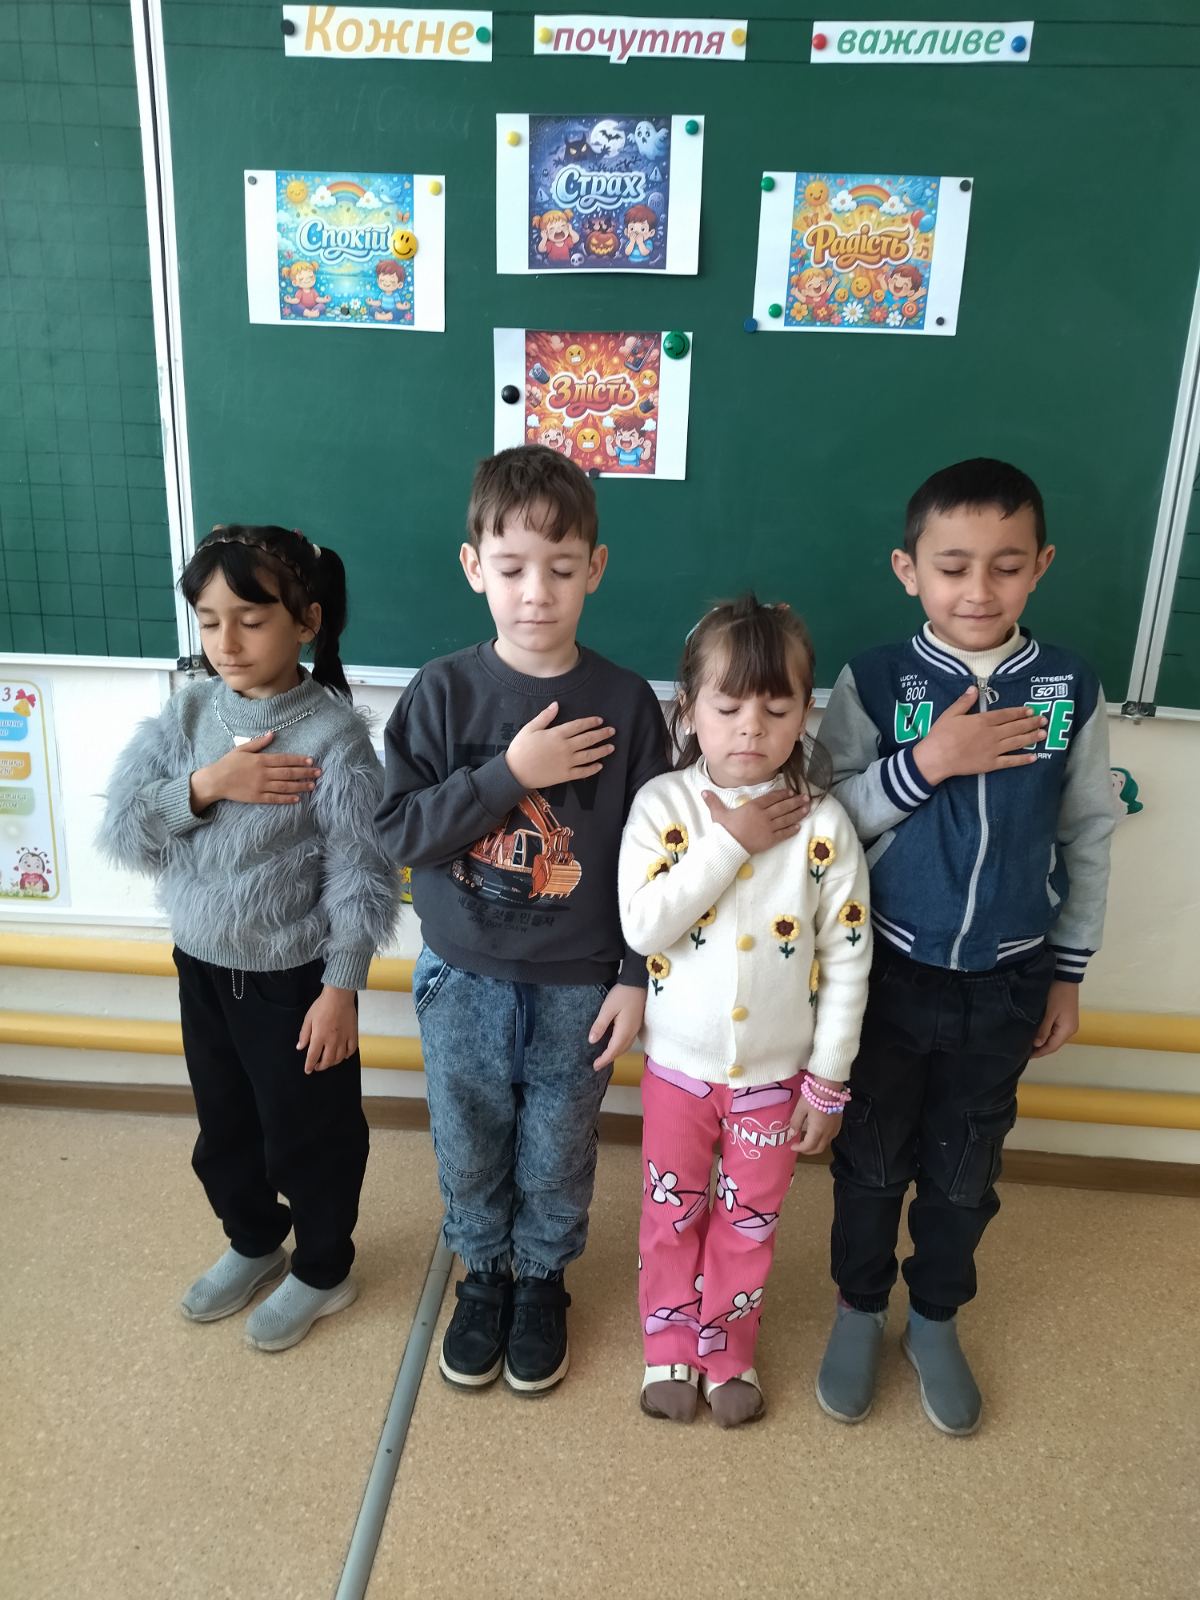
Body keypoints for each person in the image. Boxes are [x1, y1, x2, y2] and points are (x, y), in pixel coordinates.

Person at [815, 458, 1114, 1434]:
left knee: (964, 1168)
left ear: (1041, 566)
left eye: (1006, 565)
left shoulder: (1069, 685)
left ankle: (936, 1317)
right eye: (952, 567)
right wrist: (926, 763)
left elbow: (1088, 831)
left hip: (1009, 978)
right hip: (886, 971)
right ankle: (860, 1307)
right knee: (869, 1161)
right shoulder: (875, 678)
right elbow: (823, 821)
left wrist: (1068, 972)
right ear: (909, 570)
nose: (978, 589)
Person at [375, 445, 670, 1394]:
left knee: (558, 1147)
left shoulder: (625, 704)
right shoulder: (442, 693)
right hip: (462, 976)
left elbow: (657, 856)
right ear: (474, 568)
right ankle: (483, 1273)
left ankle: (541, 1279)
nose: (536, 593)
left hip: (580, 985)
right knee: (468, 1140)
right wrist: (509, 775)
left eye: (561, 568)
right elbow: (398, 830)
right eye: (510, 569)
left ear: (596, 567)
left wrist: (637, 974)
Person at [99, 525, 399, 1351]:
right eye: (208, 621)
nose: (225, 642)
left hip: (293, 980)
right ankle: (255, 1240)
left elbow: (363, 874)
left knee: (310, 1132)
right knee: (225, 1126)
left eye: (250, 619)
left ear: (306, 621)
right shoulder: (189, 712)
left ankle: (325, 1269)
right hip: (201, 965)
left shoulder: (335, 737)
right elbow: (126, 830)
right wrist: (207, 785)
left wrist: (341, 987)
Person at [618, 596, 872, 1426]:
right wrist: (731, 841)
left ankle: (727, 1351)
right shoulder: (662, 806)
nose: (751, 728)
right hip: (676, 1071)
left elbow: (849, 958)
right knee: (671, 1213)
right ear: (689, 707)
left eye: (777, 707)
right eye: (727, 707)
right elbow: (643, 925)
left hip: (776, 1078)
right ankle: (668, 1345)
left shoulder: (823, 823)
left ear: (806, 713)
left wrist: (827, 1080)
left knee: (748, 1224)